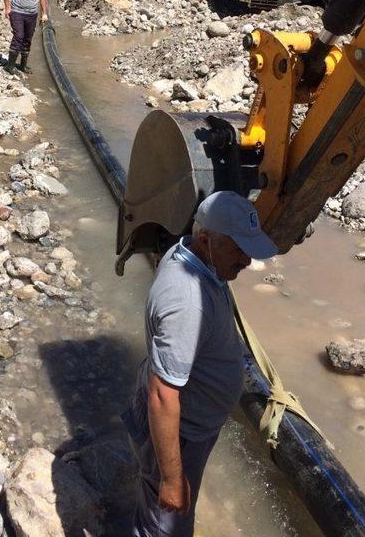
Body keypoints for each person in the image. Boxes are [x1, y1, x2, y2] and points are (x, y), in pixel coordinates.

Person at [122, 191, 278, 537]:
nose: (247, 260)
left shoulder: (190, 254)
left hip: (191, 428)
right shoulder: (187, 302)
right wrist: (172, 478)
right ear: (206, 239)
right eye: (239, 249)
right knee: (165, 527)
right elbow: (162, 395)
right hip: (181, 434)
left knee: (157, 513)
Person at [3, 0, 48, 74]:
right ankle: (10, 65)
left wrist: (44, 14)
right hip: (17, 12)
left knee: (27, 38)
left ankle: (23, 65)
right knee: (18, 36)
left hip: (31, 14)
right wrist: (7, 8)